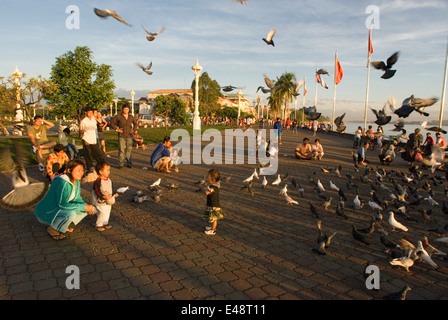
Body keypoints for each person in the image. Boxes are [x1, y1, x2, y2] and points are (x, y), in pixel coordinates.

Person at [34, 159, 97, 240]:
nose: (81, 173)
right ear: (69, 170)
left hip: (58, 209)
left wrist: (88, 207)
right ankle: (52, 228)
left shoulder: (76, 181)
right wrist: (84, 207)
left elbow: (77, 198)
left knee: (85, 208)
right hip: (46, 211)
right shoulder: (62, 182)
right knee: (71, 214)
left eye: (82, 170)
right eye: (78, 170)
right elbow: (62, 204)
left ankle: (62, 225)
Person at [92, 162, 118, 232]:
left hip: (108, 200)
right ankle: (99, 224)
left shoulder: (109, 180)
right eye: (107, 170)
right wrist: (102, 196)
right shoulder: (98, 181)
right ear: (100, 172)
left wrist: (114, 194)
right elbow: (97, 191)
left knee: (107, 211)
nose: (108, 172)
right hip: (100, 200)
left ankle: (105, 222)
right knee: (102, 212)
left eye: (109, 170)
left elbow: (111, 188)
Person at [110, 105, 138, 169]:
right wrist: (117, 129)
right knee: (122, 150)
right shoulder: (119, 116)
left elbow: (135, 123)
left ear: (129, 110)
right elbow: (112, 122)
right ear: (122, 109)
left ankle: (129, 163)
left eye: (127, 109)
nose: (126, 111)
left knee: (129, 150)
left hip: (129, 135)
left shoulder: (131, 117)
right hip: (121, 135)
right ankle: (121, 163)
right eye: (125, 109)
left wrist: (133, 130)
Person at [79, 107, 105, 173]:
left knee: (97, 152)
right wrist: (85, 131)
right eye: (89, 112)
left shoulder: (94, 119)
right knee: (88, 154)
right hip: (86, 138)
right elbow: (81, 130)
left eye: (91, 112)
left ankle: (101, 164)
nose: (90, 114)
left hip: (93, 138)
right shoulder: (84, 121)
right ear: (86, 113)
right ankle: (89, 166)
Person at [203, 169, 224, 236]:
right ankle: (212, 226)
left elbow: (211, 191)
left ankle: (213, 230)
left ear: (212, 179)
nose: (207, 179)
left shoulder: (214, 187)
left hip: (214, 206)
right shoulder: (216, 185)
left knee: (214, 219)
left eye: (208, 177)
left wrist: (207, 192)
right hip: (212, 204)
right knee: (212, 217)